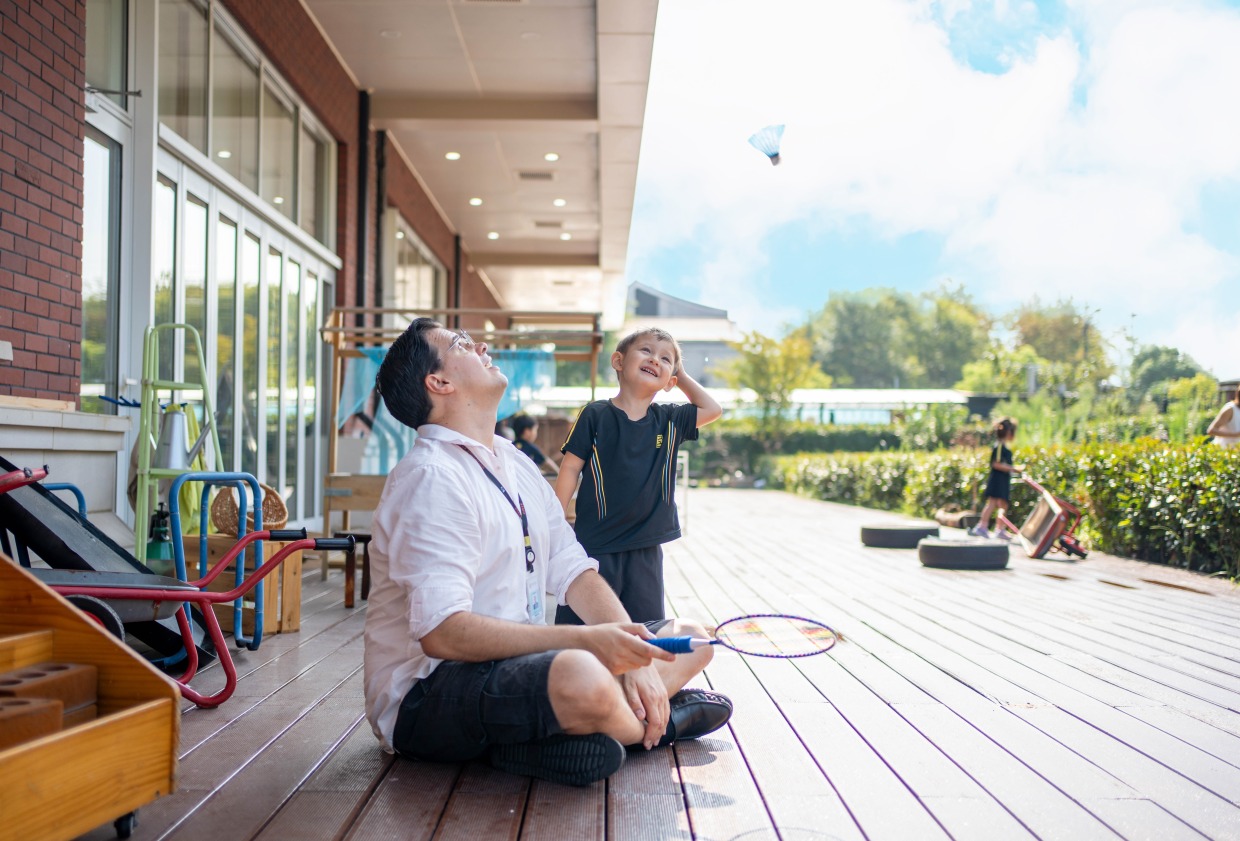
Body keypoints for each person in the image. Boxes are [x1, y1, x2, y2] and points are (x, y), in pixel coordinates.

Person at [364, 318, 733, 787]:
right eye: (460, 344)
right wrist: (588, 642)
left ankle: (574, 731)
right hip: (429, 696)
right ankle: (658, 727)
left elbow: (574, 570)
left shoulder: (512, 462)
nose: (480, 343)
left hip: (520, 669)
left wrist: (628, 646)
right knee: (581, 672)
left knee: (690, 637)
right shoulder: (431, 477)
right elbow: (444, 635)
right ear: (439, 382)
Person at [554, 328, 722, 625]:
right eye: (646, 351)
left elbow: (713, 408)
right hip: (595, 544)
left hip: (646, 546)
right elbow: (570, 468)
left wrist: (679, 374)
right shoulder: (595, 415)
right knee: (583, 629)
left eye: (665, 358)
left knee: (645, 630)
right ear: (618, 361)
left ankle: (634, 673)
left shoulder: (670, 419)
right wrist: (553, 519)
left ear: (671, 381)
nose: (655, 359)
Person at [970, 417, 1023, 539]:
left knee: (1004, 504)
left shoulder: (1003, 447)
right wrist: (1013, 469)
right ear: (1009, 432)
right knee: (992, 502)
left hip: (1003, 479)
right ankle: (982, 526)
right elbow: (996, 464)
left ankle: (1000, 529)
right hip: (997, 479)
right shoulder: (999, 447)